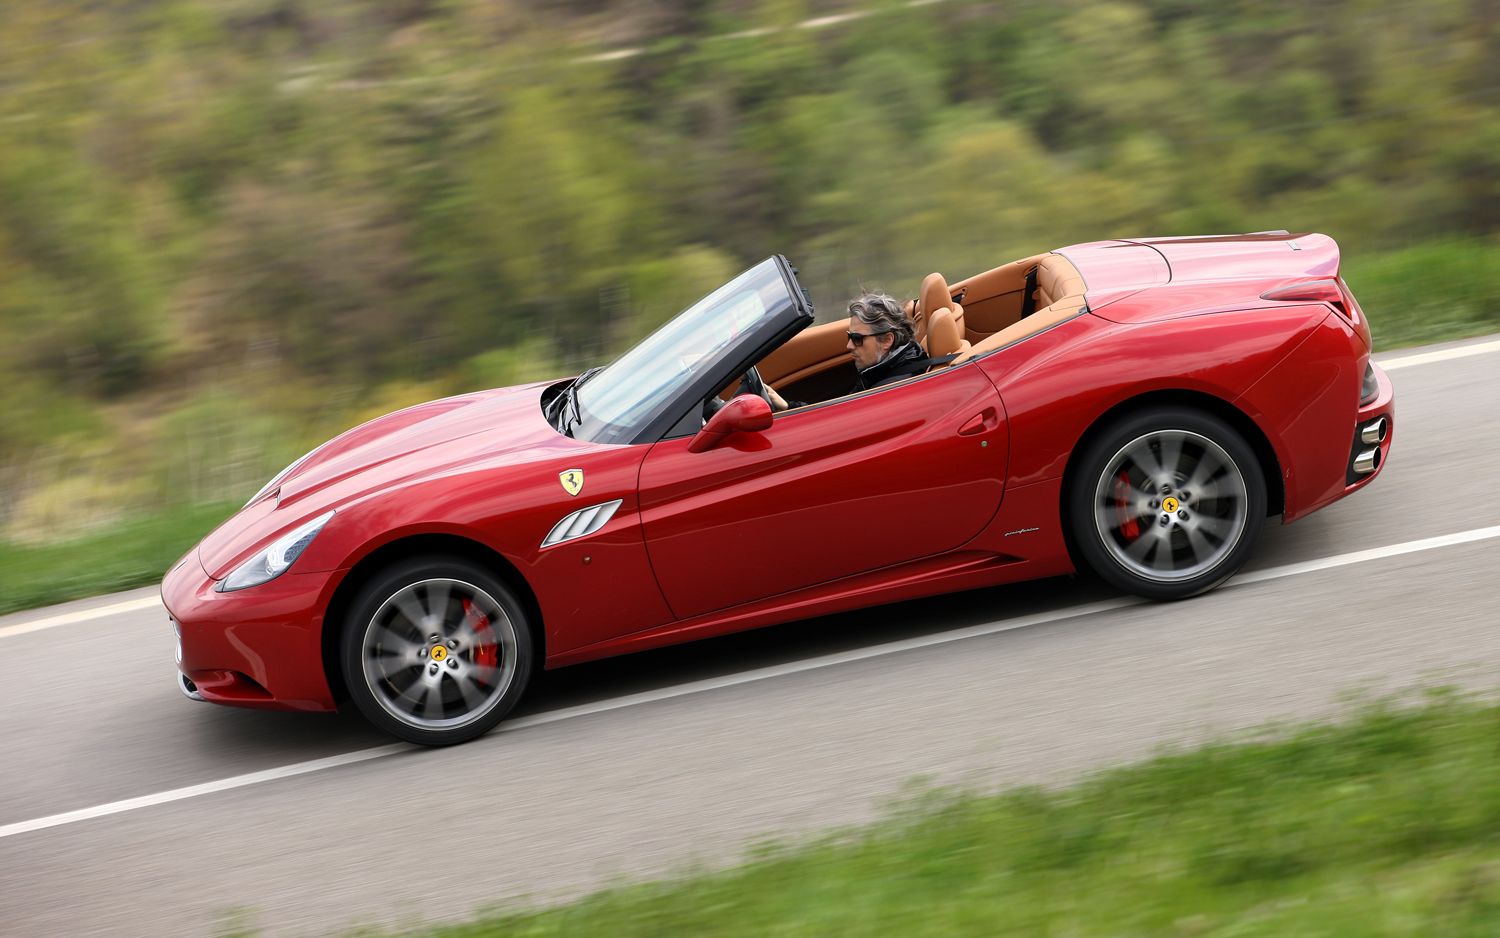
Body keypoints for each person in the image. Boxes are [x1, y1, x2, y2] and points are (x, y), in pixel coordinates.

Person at [764, 293, 937, 410]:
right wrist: (788, 406)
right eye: (849, 336)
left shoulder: (888, 390)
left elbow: (833, 426)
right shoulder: (885, 370)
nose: (849, 346)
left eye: (857, 338)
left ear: (886, 340)